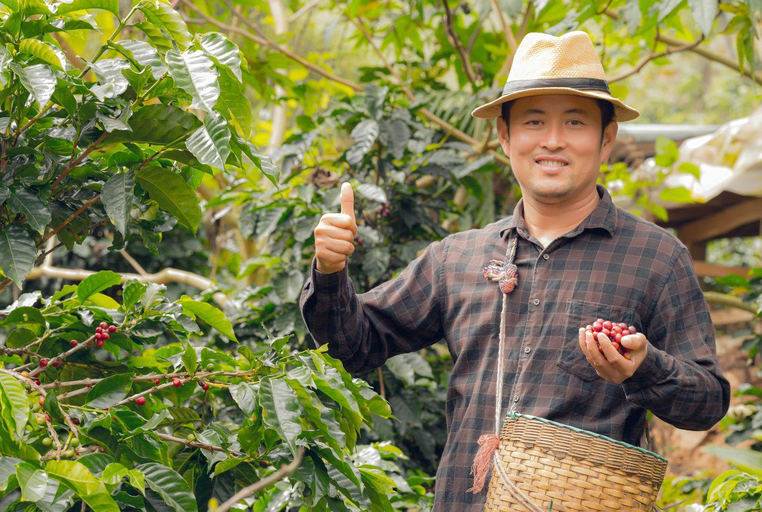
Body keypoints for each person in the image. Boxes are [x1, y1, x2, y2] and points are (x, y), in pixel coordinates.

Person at [299, 30, 730, 511]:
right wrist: (331, 270)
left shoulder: (657, 258)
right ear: (505, 136)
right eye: (533, 122)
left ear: (606, 139)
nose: (552, 140)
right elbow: (353, 347)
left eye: (574, 122)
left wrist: (644, 367)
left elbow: (707, 402)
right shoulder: (456, 258)